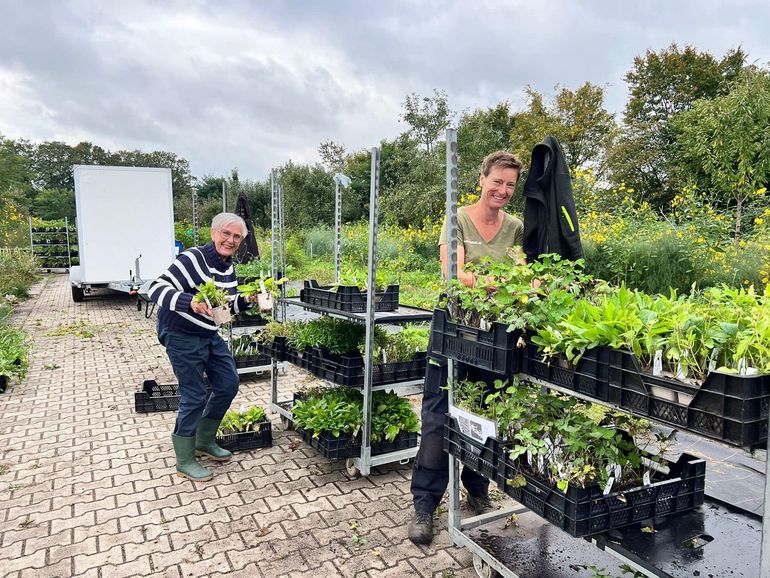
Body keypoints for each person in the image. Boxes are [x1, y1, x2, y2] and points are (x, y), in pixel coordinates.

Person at [408, 150, 524, 545]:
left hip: (494, 336)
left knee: (485, 414)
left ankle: (477, 489)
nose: (503, 190)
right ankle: (425, 504)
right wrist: (503, 283)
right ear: (482, 179)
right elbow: (453, 275)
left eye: (510, 184)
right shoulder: (457, 219)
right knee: (438, 418)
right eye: (498, 182)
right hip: (453, 332)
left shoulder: (515, 227)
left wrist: (505, 283)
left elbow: (526, 275)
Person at [148, 212, 259, 482]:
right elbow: (154, 288)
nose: (230, 240)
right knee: (194, 394)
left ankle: (204, 440)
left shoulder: (227, 267)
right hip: (180, 332)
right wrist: (189, 302)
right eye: (226, 234)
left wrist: (246, 301)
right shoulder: (193, 258)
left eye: (236, 236)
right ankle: (184, 460)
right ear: (214, 234)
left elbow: (224, 306)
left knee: (228, 383)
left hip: (208, 333)